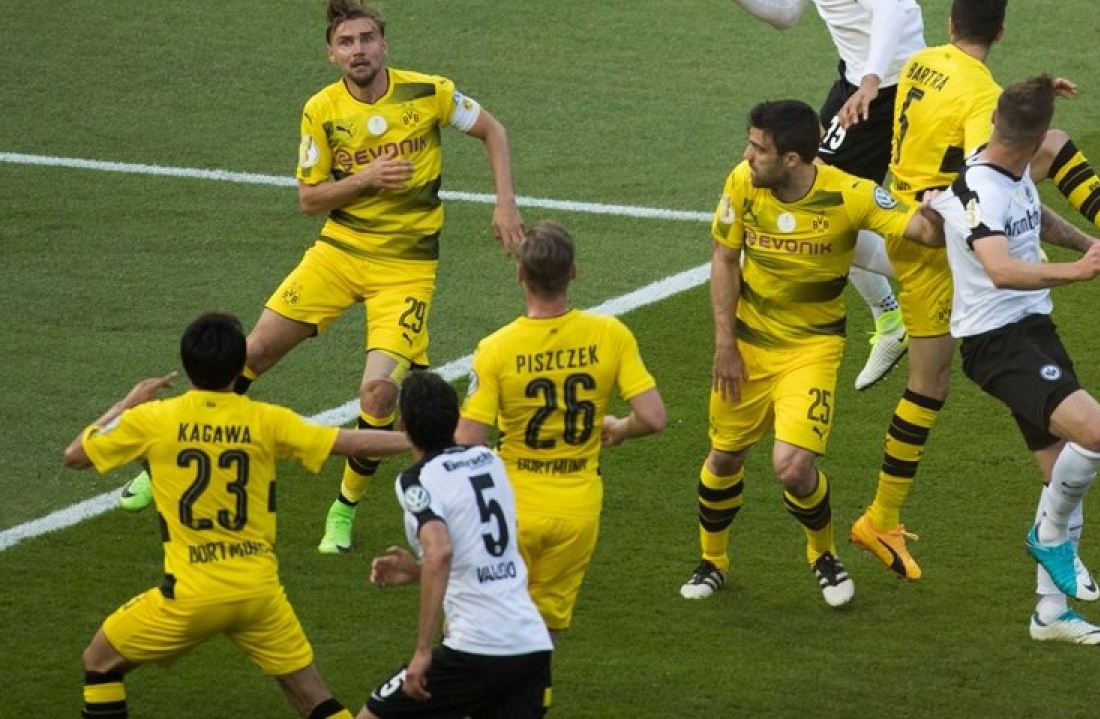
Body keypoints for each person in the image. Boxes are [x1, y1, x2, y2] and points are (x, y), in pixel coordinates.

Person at [121, 0, 525, 558]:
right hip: (337, 254)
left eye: (366, 39)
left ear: (384, 44)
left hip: (406, 268)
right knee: (252, 351)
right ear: (331, 54)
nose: (358, 50)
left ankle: (343, 509)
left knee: (378, 393)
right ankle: (163, 459)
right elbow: (310, 199)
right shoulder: (322, 110)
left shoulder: (428, 92)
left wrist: (505, 203)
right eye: (346, 42)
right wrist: (366, 179)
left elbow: (493, 130)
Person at [850, 0, 1100, 582]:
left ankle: (881, 517)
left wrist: (1032, 99)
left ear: (950, 22)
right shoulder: (982, 98)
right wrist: (1085, 249)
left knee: (927, 386)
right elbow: (992, 172)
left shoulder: (924, 61)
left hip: (909, 223)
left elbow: (981, 116)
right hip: (945, 238)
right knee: (1054, 147)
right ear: (1002, 31)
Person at [64, 312, 414, 719]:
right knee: (313, 699)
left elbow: (75, 456)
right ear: (239, 366)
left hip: (191, 595)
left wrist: (127, 403)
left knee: (100, 661)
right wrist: (418, 440)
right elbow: (351, 442)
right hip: (258, 593)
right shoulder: (265, 419)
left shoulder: (152, 419)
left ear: (187, 363)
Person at [678, 99, 942, 609]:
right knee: (724, 456)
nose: (747, 156)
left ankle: (823, 554)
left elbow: (924, 233)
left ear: (793, 159)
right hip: (748, 345)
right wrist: (725, 344)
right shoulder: (742, 183)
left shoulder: (850, 194)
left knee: (794, 467)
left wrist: (940, 210)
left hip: (812, 348)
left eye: (759, 148)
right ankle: (713, 561)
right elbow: (724, 258)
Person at [695, 0, 926, 391]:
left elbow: (890, 7)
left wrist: (868, 82)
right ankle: (900, 309)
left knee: (814, 200)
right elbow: (786, 12)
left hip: (887, 88)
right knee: (821, 201)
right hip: (863, 80)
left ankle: (940, 279)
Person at [932, 75, 1100, 643]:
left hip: (1033, 331)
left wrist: (1096, 248)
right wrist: (1079, 271)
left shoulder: (1011, 166)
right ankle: (1047, 539)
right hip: (997, 341)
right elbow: (1000, 269)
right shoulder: (981, 188)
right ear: (1036, 138)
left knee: (1061, 476)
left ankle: (1050, 614)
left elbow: (1036, 217)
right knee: (1095, 432)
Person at [456, 220, 667, 634]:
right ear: (573, 272)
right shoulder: (609, 334)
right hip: (577, 509)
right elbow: (654, 417)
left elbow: (468, 441)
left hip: (511, 505)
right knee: (542, 631)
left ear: (520, 274)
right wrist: (621, 428)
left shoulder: (496, 349)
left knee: (475, 627)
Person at [358, 371, 553, 718]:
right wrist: (418, 572)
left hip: (477, 648)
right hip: (531, 644)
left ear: (403, 426)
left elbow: (441, 551)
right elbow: (478, 554)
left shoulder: (416, 480)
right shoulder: (491, 461)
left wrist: (422, 651)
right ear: (455, 419)